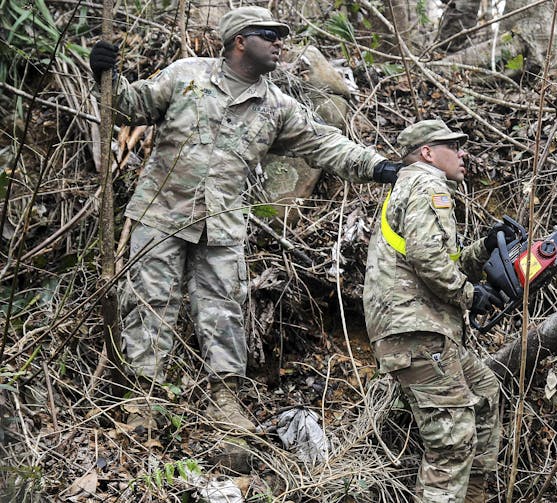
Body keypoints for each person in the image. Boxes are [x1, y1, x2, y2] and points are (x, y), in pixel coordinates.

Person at [88, 6, 402, 434]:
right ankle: (144, 404)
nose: (279, 43)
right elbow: (128, 107)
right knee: (149, 305)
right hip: (161, 214)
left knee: (223, 312)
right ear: (240, 40)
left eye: (280, 35)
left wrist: (379, 166)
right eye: (268, 35)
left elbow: (325, 144)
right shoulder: (187, 75)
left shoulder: (277, 107)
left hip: (221, 227)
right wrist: (104, 74)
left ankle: (225, 402)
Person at [362, 119, 506, 502]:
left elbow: (437, 260)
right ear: (427, 152)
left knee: (484, 391)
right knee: (451, 442)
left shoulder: (409, 187)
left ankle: (473, 496)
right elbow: (428, 259)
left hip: (418, 329)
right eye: (453, 146)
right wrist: (469, 295)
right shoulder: (428, 183)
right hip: (417, 331)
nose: (463, 153)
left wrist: (485, 247)